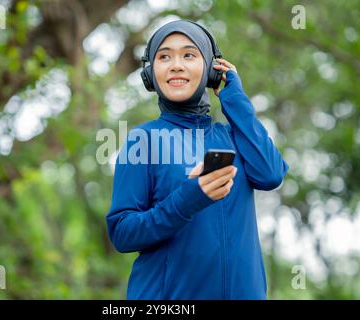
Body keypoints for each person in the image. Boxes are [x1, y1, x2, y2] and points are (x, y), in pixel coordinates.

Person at [106, 19, 289, 299]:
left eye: (189, 55)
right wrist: (190, 198)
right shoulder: (142, 140)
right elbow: (122, 233)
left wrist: (234, 97)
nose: (176, 65)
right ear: (150, 74)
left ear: (211, 71)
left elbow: (271, 174)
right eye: (164, 56)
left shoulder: (234, 136)